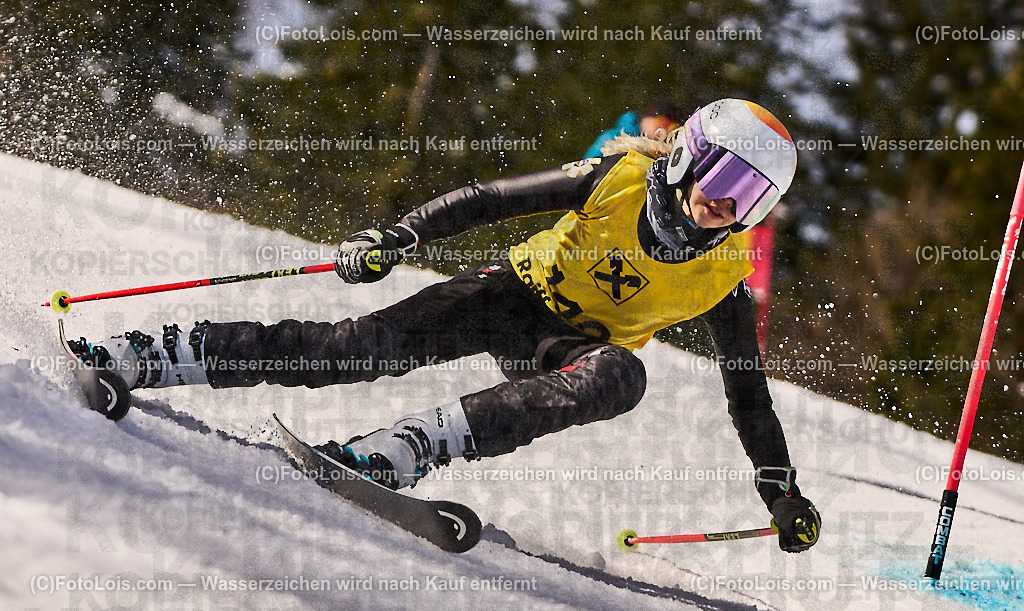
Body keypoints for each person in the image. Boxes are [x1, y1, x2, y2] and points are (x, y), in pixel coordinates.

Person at [72, 98, 820, 553]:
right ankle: (148, 353)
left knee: (623, 375)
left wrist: (780, 492)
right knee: (348, 351)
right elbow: (488, 198)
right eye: (724, 180)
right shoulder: (617, 178)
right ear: (689, 157)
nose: (728, 206)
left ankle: (399, 452)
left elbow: (748, 398)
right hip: (509, 294)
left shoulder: (723, 279)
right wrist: (400, 236)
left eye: (751, 198)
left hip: (565, 350)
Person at [583, 100, 680, 159]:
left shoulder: (658, 151)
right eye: (661, 123)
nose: (663, 131)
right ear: (648, 118)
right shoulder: (613, 137)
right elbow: (587, 169)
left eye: (670, 128)